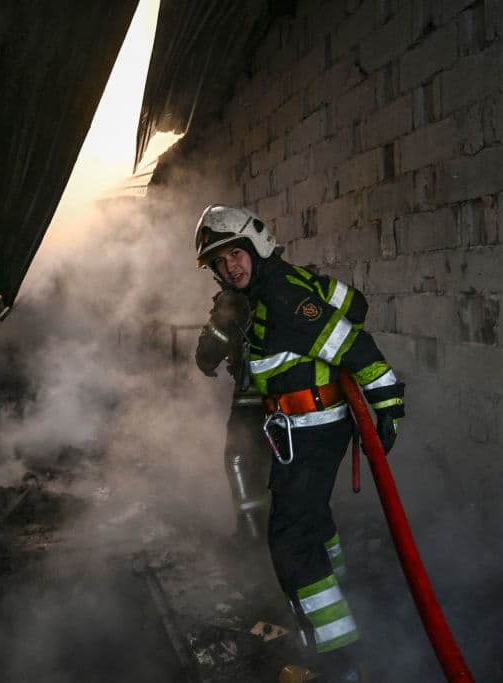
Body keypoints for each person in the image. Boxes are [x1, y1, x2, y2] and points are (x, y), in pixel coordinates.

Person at [192, 205, 405, 683]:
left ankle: (337, 660)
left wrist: (388, 401)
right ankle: (342, 590)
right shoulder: (274, 287)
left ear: (256, 246)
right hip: (304, 430)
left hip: (311, 431)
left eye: (236, 254)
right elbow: (354, 307)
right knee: (311, 521)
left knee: (289, 543)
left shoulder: (283, 296)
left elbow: (351, 345)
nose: (230, 267)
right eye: (220, 262)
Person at [195, 287, 271, 543]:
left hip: (253, 400)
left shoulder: (233, 300)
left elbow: (208, 353)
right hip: (303, 402)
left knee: (239, 458)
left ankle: (252, 533)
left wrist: (206, 362)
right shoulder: (293, 288)